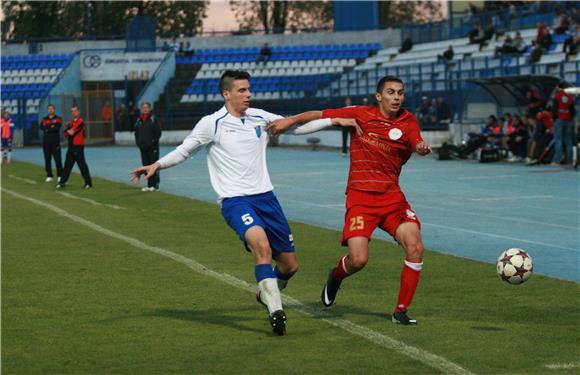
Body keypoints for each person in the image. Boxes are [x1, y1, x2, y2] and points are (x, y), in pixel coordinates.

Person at [131, 71, 351, 336]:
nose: (248, 94)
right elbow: (185, 149)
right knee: (261, 244)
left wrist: (332, 120)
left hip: (267, 199)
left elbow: (296, 126)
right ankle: (276, 311)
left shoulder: (260, 117)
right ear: (226, 94)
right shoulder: (212, 123)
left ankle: (267, 294)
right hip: (235, 201)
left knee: (290, 266)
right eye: (242, 90)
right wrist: (157, 165)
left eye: (249, 89)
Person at [268, 76, 432, 325]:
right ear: (379, 96)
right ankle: (336, 275)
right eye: (390, 92)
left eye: (400, 92)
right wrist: (289, 121)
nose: (397, 97)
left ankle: (400, 311)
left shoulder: (408, 121)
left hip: (392, 199)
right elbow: (319, 114)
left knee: (415, 246)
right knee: (358, 260)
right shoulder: (359, 113)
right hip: (361, 199)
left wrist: (420, 147)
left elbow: (415, 140)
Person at [56, 105, 92, 189]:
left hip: (78, 146)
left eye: (75, 111)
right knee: (67, 165)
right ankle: (62, 182)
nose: (73, 112)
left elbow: (72, 132)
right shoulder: (71, 122)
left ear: (78, 112)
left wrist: (69, 131)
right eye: (72, 111)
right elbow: (65, 133)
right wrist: (69, 131)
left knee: (82, 165)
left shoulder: (80, 122)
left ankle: (88, 183)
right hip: (71, 146)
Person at [134, 102, 162, 191]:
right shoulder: (139, 120)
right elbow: (136, 133)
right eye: (143, 107)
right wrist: (138, 143)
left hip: (152, 147)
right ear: (141, 109)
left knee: (154, 166)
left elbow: (158, 133)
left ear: (150, 109)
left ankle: (155, 185)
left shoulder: (154, 119)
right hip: (143, 147)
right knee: (146, 166)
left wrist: (152, 142)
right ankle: (149, 185)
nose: (145, 109)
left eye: (146, 107)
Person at [551, 83, 575, 165]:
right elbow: (572, 111)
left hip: (559, 119)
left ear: (558, 88)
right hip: (568, 119)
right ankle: (570, 161)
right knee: (568, 141)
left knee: (558, 139)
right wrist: (571, 119)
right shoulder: (570, 97)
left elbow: (554, 108)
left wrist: (554, 119)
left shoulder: (557, 96)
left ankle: (557, 160)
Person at [40, 104, 63, 182]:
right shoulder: (44, 119)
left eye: (51, 109)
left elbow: (57, 128)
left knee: (58, 159)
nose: (50, 110)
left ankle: (60, 175)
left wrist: (47, 128)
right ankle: (49, 175)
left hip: (55, 142)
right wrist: (51, 127)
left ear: (54, 109)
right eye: (49, 109)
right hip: (46, 142)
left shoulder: (58, 118)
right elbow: (41, 127)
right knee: (47, 159)